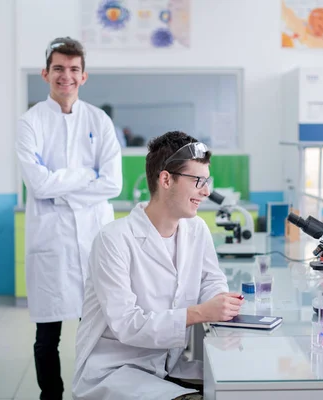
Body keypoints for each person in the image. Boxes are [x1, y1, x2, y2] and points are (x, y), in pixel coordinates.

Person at [72, 131, 244, 400]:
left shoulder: (196, 229)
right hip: (117, 370)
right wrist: (200, 313)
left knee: (238, 387)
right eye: (198, 180)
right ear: (166, 179)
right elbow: (127, 324)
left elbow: (210, 278)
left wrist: (220, 302)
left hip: (167, 364)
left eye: (207, 181)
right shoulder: (113, 240)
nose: (206, 191)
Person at [15, 36, 122, 400]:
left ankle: (91, 391)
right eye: (59, 68)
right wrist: (86, 175)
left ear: (84, 75)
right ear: (46, 73)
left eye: (73, 69)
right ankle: (52, 396)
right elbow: (39, 185)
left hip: (93, 238)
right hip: (52, 241)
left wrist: (61, 181)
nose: (66, 76)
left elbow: (113, 183)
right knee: (47, 336)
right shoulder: (29, 123)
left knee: (96, 328)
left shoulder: (99, 120)